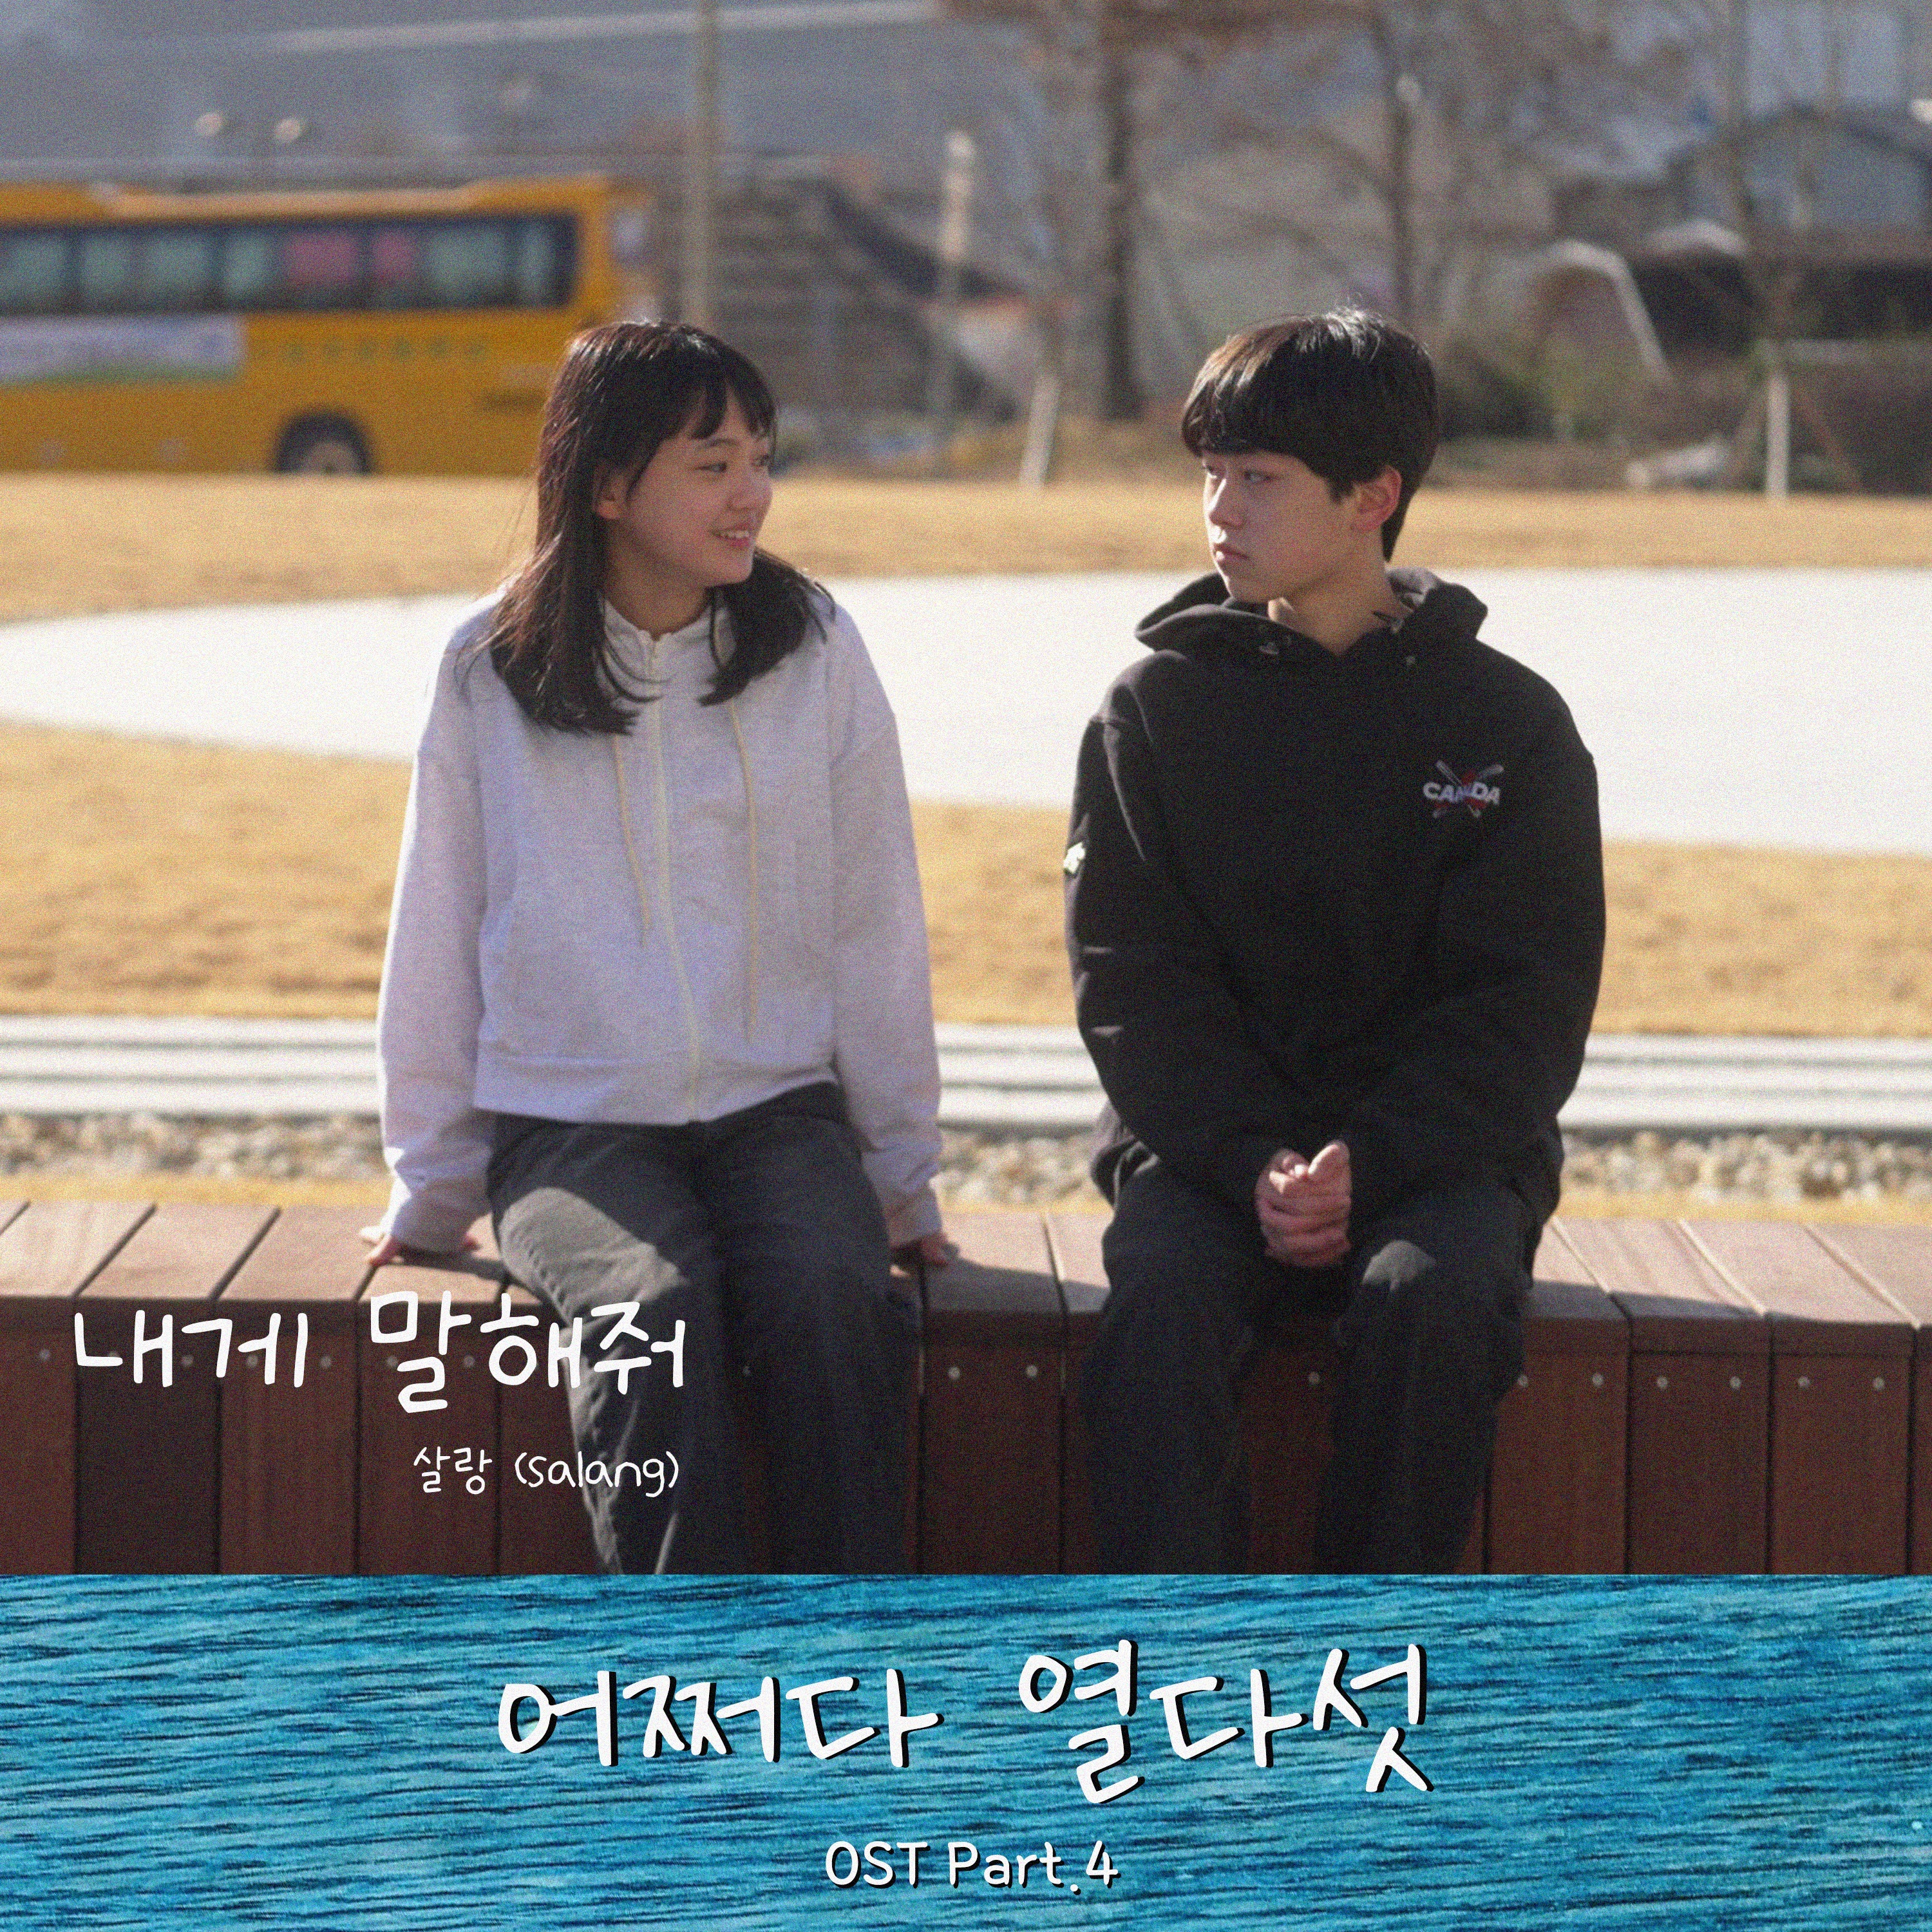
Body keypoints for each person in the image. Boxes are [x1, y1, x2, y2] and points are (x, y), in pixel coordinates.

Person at [365, 320, 949, 1574]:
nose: (754, 494)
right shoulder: (488, 669)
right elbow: (439, 924)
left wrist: (902, 1183)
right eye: (714, 465)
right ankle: (678, 1673)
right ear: (608, 485)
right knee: (650, 1316)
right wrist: (434, 1186)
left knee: (833, 1300)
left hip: (780, 1114)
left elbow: (874, 921)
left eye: (762, 459)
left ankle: (850, 1661)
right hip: (567, 1129)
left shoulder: (816, 647)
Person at [1065, 311, 1605, 1573]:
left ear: (1375, 497)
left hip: (1443, 1159)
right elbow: (1132, 986)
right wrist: (1252, 1158)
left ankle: (1374, 1652)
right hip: (1205, 1154)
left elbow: (1526, 1006)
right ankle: (1185, 1660)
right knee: (1158, 1310)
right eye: (1210, 473)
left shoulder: (1508, 723)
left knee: (1433, 1298)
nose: (1219, 510)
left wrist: (1377, 1158)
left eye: (1258, 478)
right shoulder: (1154, 713)